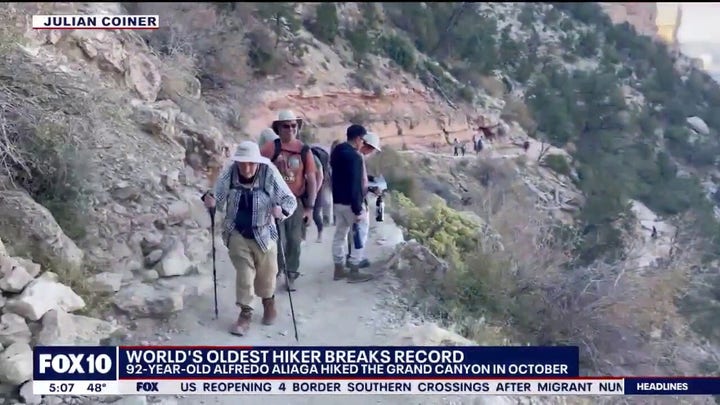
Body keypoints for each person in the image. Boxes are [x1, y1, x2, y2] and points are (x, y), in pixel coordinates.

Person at [202, 141, 297, 336]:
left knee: (268, 274)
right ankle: (245, 313)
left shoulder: (269, 173)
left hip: (264, 232)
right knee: (245, 274)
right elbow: (216, 197)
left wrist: (282, 211)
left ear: (258, 162)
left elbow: (289, 199)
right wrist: (209, 200)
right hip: (236, 232)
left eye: (251, 163)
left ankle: (268, 301)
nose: (247, 168)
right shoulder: (230, 173)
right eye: (243, 163)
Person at [260, 110, 318, 290]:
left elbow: (312, 179)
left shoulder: (303, 150)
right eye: (286, 125)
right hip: (273, 202)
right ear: (278, 128)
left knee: (294, 239)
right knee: (277, 240)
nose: (291, 129)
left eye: (294, 125)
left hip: (296, 202)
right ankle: (275, 272)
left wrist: (310, 208)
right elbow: (256, 171)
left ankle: (291, 274)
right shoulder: (270, 148)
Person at [330, 124, 375, 283]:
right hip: (351, 203)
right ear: (357, 138)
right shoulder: (355, 157)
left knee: (340, 235)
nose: (363, 143)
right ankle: (354, 269)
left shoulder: (337, 151)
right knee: (360, 233)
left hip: (337, 201)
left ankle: (339, 268)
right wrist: (358, 210)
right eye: (362, 140)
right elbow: (355, 184)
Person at [355, 131, 382, 269]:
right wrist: (372, 189)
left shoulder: (356, 156)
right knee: (361, 229)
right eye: (372, 149)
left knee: (355, 230)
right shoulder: (358, 157)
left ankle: (354, 257)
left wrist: (371, 180)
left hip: (353, 198)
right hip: (357, 199)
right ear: (368, 146)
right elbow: (358, 181)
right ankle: (357, 259)